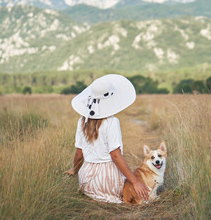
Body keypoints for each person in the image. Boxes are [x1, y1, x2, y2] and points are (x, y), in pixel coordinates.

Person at [64, 74, 149, 203]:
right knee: (137, 183)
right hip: (108, 180)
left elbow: (79, 154)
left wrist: (75, 169)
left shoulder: (82, 121)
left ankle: (92, 192)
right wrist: (135, 182)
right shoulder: (112, 122)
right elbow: (115, 156)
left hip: (86, 180)